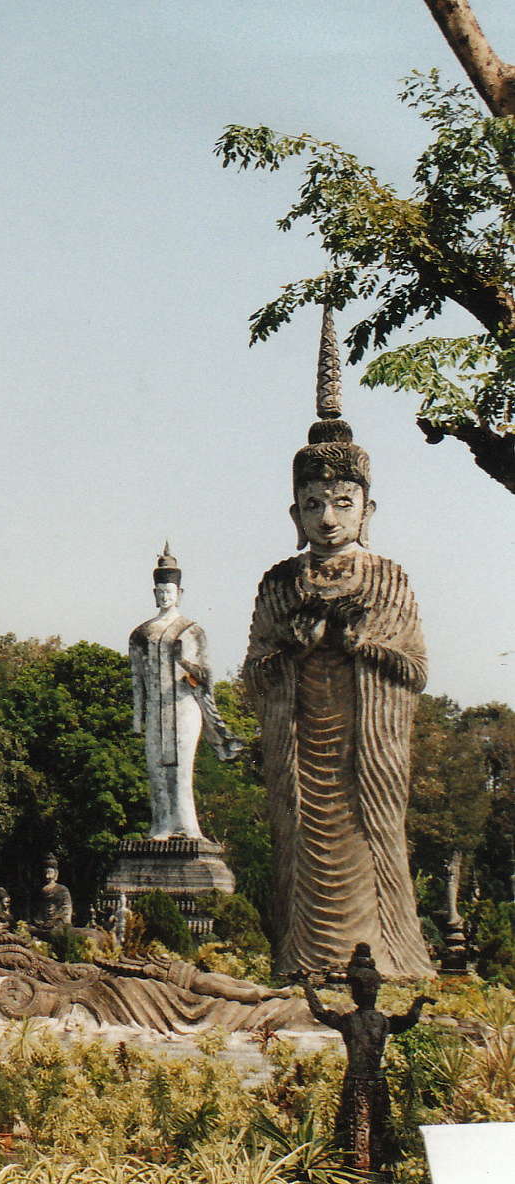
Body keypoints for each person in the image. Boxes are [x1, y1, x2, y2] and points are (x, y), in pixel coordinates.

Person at [245, 315, 430, 978]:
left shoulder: (388, 577)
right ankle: (299, 965)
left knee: (374, 842)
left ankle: (390, 965)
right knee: (298, 849)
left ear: (367, 510)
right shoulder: (280, 581)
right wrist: (289, 648)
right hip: (302, 753)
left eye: (342, 502)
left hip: (364, 756)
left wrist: (360, 643)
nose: (328, 517)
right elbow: (253, 674)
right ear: (294, 512)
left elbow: (413, 668)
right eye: (314, 503)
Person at [129, 547, 242, 838]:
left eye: (170, 591)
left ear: (180, 592)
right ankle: (162, 824)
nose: (165, 596)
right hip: (156, 707)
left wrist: (184, 662)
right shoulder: (141, 634)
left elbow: (204, 676)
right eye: (161, 591)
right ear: (154, 593)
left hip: (184, 706)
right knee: (156, 769)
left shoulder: (191, 630)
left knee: (180, 769)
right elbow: (136, 679)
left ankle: (188, 826)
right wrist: (137, 719)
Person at [297, 944, 433, 1173]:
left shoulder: (351, 1021)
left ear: (356, 992)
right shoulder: (381, 1021)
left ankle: (357, 1170)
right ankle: (375, 1169)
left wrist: (306, 986)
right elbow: (408, 1021)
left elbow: (320, 1012)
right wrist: (418, 1004)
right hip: (376, 1081)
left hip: (357, 1081)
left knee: (355, 1130)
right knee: (376, 1129)